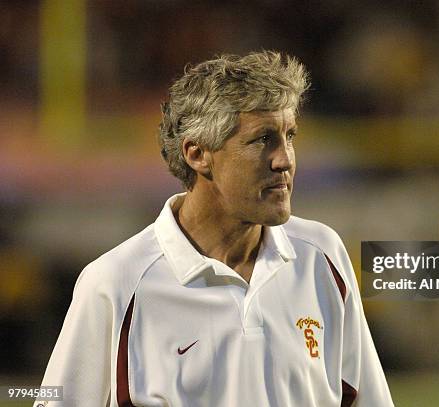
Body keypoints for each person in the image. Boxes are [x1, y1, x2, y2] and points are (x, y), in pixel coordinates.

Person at [36, 51, 393, 407]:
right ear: (197, 154)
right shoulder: (116, 282)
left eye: (290, 136)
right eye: (262, 139)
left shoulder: (322, 255)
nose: (284, 159)